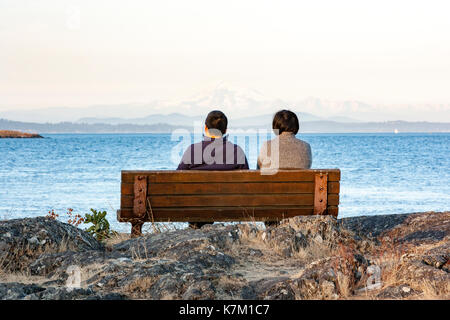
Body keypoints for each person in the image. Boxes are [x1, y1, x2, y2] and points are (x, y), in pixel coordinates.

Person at [177, 110, 249, 229]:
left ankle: (195, 227)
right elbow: (246, 182)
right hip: (227, 207)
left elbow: (178, 178)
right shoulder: (237, 151)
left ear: (205, 128)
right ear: (225, 130)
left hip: (196, 206)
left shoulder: (192, 150)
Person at [257, 109, 312, 227]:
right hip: (300, 203)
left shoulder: (266, 146)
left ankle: (272, 231)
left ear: (276, 126)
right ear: (296, 126)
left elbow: (259, 173)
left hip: (272, 205)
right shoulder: (306, 147)